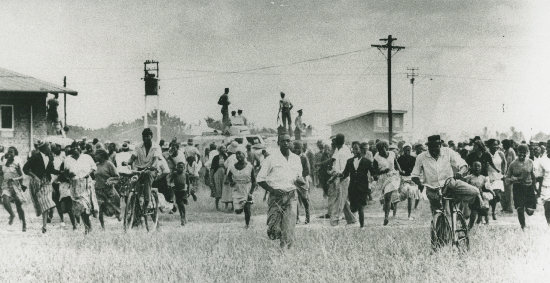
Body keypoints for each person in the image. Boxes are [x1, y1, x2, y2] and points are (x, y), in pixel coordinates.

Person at [411, 135, 481, 222]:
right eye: (431, 147)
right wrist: (420, 184)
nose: (433, 149)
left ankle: (457, 203)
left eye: (436, 146)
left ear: (440, 145)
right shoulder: (421, 157)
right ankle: (439, 231)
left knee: (475, 191)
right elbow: (414, 175)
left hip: (450, 184)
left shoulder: (448, 152)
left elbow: (463, 164)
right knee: (439, 214)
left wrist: (460, 172)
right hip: (433, 189)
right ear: (428, 147)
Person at [257, 131, 303, 248]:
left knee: (289, 226)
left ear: (291, 142)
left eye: (288, 141)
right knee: (274, 229)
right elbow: (260, 179)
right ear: (278, 143)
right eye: (283, 141)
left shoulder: (296, 159)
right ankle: (276, 234)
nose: (286, 143)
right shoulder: (271, 159)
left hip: (291, 195)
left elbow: (298, 177)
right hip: (276, 197)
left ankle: (286, 252)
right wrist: (272, 190)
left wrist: (300, 182)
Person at [23, 141, 58, 233]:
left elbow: (51, 170)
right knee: (44, 203)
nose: (50, 148)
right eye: (49, 147)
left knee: (47, 202)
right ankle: (45, 226)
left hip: (46, 181)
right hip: (37, 183)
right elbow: (25, 169)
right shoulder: (35, 157)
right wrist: (34, 176)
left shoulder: (50, 157)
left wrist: (61, 172)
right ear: (44, 148)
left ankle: (47, 221)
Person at [128, 128, 163, 214]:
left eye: (147, 136)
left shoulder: (156, 147)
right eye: (144, 136)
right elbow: (132, 157)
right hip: (140, 170)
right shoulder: (138, 146)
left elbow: (156, 159)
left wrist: (152, 166)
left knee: (147, 175)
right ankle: (131, 202)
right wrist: (128, 162)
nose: (145, 138)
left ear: (151, 136)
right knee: (131, 181)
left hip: (151, 170)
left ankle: (147, 201)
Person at [339, 141, 373, 228]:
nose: (355, 151)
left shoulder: (366, 161)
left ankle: (362, 226)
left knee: (361, 206)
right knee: (353, 207)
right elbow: (345, 173)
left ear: (360, 150)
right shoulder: (349, 161)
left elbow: (373, 172)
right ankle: (355, 220)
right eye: (354, 149)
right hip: (353, 187)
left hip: (362, 187)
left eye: (357, 149)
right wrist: (337, 177)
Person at [64, 147, 98, 234]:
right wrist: (69, 175)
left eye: (77, 154)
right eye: (74, 154)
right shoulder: (67, 160)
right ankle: (87, 226)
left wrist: (88, 173)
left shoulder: (87, 157)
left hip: (86, 184)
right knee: (80, 207)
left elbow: (94, 167)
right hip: (75, 185)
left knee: (86, 206)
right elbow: (65, 173)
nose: (76, 156)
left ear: (80, 152)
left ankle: (88, 226)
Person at [506, 144, 537, 230]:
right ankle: (523, 227)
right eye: (520, 153)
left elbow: (533, 176)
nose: (522, 155)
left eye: (524, 153)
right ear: (517, 152)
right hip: (518, 188)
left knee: (530, 211)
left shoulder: (530, 162)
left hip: (529, 188)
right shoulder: (513, 164)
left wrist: (536, 189)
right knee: (520, 209)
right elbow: (507, 177)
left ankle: (527, 207)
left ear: (527, 153)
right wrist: (512, 179)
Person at [328, 134, 356, 226]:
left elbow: (344, 170)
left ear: (338, 141)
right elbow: (333, 160)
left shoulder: (344, 152)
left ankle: (335, 220)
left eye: (334, 141)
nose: (333, 143)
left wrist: (334, 177)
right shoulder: (338, 149)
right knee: (344, 199)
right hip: (339, 176)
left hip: (343, 178)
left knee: (339, 199)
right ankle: (351, 219)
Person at [373, 140, 402, 225]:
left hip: (393, 176)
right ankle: (390, 206)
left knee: (388, 196)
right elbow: (375, 171)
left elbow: (396, 163)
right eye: (379, 150)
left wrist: (400, 171)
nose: (381, 152)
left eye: (383, 149)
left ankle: (386, 217)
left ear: (386, 148)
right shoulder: (376, 157)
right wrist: (382, 171)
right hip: (383, 178)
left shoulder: (392, 154)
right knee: (385, 199)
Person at [226, 145, 256, 228]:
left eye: (240, 153)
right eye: (237, 154)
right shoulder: (233, 167)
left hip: (247, 188)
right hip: (237, 189)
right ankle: (240, 207)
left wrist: (250, 193)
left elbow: (254, 181)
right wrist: (231, 182)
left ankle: (247, 224)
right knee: (238, 211)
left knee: (247, 208)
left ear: (244, 154)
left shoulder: (250, 167)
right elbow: (228, 176)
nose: (238, 155)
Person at [94, 149, 120, 229]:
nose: (95, 156)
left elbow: (117, 176)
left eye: (96, 155)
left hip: (108, 190)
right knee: (100, 208)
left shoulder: (109, 164)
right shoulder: (96, 165)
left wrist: (110, 181)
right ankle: (103, 227)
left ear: (101, 155)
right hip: (98, 190)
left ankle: (118, 214)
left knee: (113, 206)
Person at [1, 151, 26, 232]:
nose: (8, 158)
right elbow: (1, 175)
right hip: (6, 186)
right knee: (5, 200)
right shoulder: (3, 164)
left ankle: (24, 223)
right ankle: (12, 214)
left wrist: (14, 179)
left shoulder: (16, 165)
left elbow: (22, 176)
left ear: (13, 158)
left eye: (10, 157)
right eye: (7, 156)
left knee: (19, 206)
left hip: (15, 186)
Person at [464, 161, 494, 228]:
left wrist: (491, 192)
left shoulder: (483, 178)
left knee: (484, 212)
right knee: (473, 213)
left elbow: (486, 188)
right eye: (475, 166)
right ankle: (469, 227)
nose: (477, 168)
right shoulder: (469, 177)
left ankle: (484, 227)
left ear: (481, 168)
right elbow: (465, 186)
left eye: (479, 166)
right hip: (472, 197)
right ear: (472, 167)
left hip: (480, 197)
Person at [397, 144, 420, 220]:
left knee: (411, 195)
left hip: (411, 178)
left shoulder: (414, 159)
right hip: (402, 178)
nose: (408, 151)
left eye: (409, 150)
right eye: (406, 150)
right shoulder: (400, 159)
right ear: (403, 150)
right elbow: (397, 169)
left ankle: (409, 215)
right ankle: (393, 211)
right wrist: (401, 173)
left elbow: (416, 169)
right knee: (399, 196)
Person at [486, 139, 507, 220]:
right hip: (488, 176)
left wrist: (503, 173)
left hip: (498, 177)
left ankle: (493, 211)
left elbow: (504, 162)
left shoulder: (500, 153)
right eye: (494, 145)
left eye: (497, 145)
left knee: (497, 195)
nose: (496, 146)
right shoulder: (487, 153)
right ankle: (488, 213)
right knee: (490, 195)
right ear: (490, 145)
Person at [293, 141, 311, 224]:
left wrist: (300, 176)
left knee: (304, 199)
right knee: (294, 199)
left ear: (300, 149)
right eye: (295, 148)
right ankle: (296, 218)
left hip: (303, 180)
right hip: (294, 180)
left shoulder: (304, 157)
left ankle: (308, 217)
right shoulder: (292, 157)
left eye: (297, 148)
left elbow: (307, 171)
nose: (296, 150)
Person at [536, 145, 550, 226]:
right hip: (546, 187)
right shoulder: (542, 161)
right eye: (549, 147)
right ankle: (549, 224)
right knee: (547, 207)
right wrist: (539, 190)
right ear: (547, 148)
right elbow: (540, 177)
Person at [211, 145, 227, 210]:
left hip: (224, 173)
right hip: (217, 173)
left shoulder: (226, 157)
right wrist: (211, 176)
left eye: (225, 148)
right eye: (223, 148)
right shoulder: (215, 157)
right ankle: (217, 206)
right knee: (218, 188)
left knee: (225, 188)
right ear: (220, 150)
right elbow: (212, 168)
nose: (224, 149)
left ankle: (226, 206)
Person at [502, 139, 517, 213]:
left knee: (509, 191)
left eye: (503, 144)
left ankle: (510, 208)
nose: (503, 146)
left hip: (510, 174)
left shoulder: (510, 151)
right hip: (506, 174)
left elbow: (509, 163)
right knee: (505, 191)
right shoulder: (506, 151)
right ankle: (506, 207)